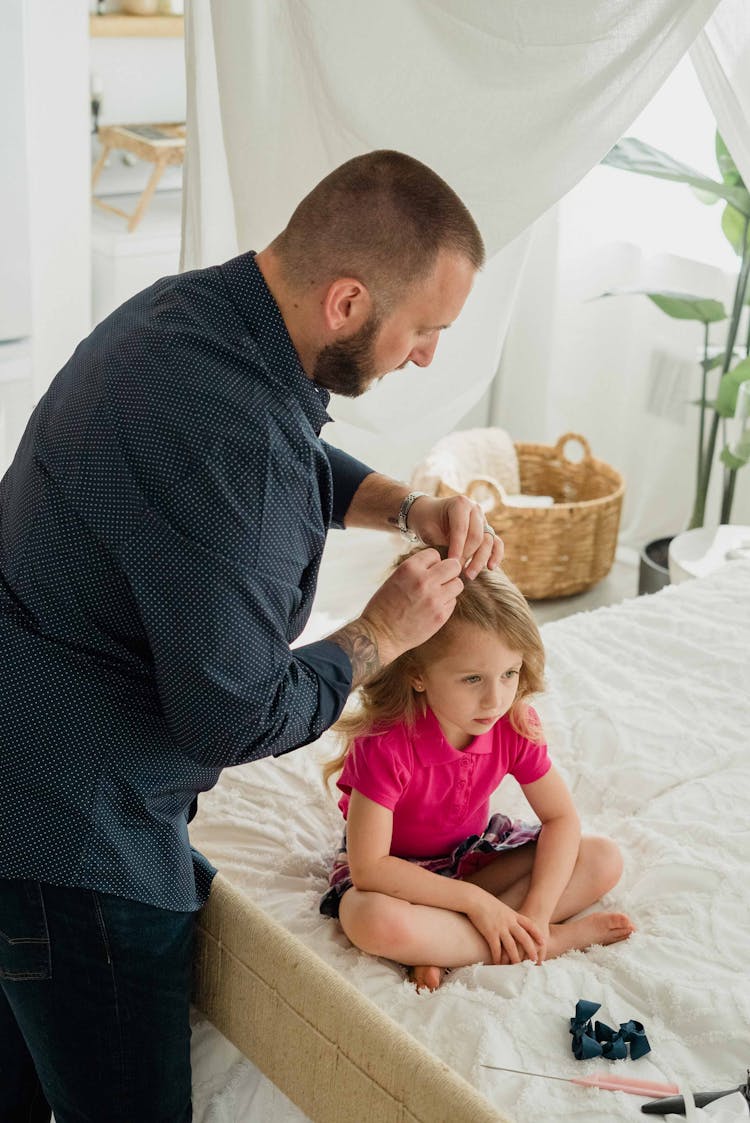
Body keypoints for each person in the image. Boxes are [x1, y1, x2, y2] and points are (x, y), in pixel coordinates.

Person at [0, 151, 500, 1122]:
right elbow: (233, 717)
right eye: (426, 329)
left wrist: (406, 505)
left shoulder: (183, 315)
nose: (430, 353)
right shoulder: (240, 448)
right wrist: (380, 634)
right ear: (349, 301)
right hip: (73, 839)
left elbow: (285, 450)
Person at [320, 551, 635, 992]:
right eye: (472, 679)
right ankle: (531, 943)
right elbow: (371, 869)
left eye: (509, 673)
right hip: (398, 878)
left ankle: (490, 943)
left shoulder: (514, 723)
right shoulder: (383, 742)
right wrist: (475, 903)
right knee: (369, 919)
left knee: (603, 857)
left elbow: (561, 820)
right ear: (417, 674)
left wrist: (537, 916)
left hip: (472, 858)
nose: (495, 699)